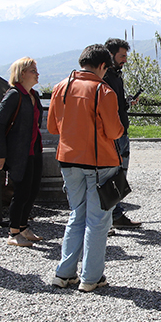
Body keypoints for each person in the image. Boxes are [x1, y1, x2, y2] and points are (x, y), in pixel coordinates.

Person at [47, 45, 124, 292]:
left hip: (68, 160)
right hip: (99, 161)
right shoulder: (104, 90)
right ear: (103, 66)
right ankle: (91, 277)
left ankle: (64, 273)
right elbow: (114, 131)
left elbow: (53, 127)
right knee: (98, 221)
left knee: (76, 215)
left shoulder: (61, 87)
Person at [0, 57, 45, 247]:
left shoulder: (33, 95)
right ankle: (13, 232)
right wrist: (1, 154)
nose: (37, 74)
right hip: (19, 151)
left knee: (32, 190)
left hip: (34, 149)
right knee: (21, 191)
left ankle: (23, 226)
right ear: (22, 74)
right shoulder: (13, 95)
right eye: (33, 70)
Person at [103, 38, 142, 229]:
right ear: (111, 55)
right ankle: (110, 217)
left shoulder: (117, 76)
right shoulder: (105, 77)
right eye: (122, 56)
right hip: (114, 134)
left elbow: (117, 106)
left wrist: (126, 103)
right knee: (112, 176)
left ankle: (115, 215)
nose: (125, 60)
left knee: (120, 175)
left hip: (122, 132)